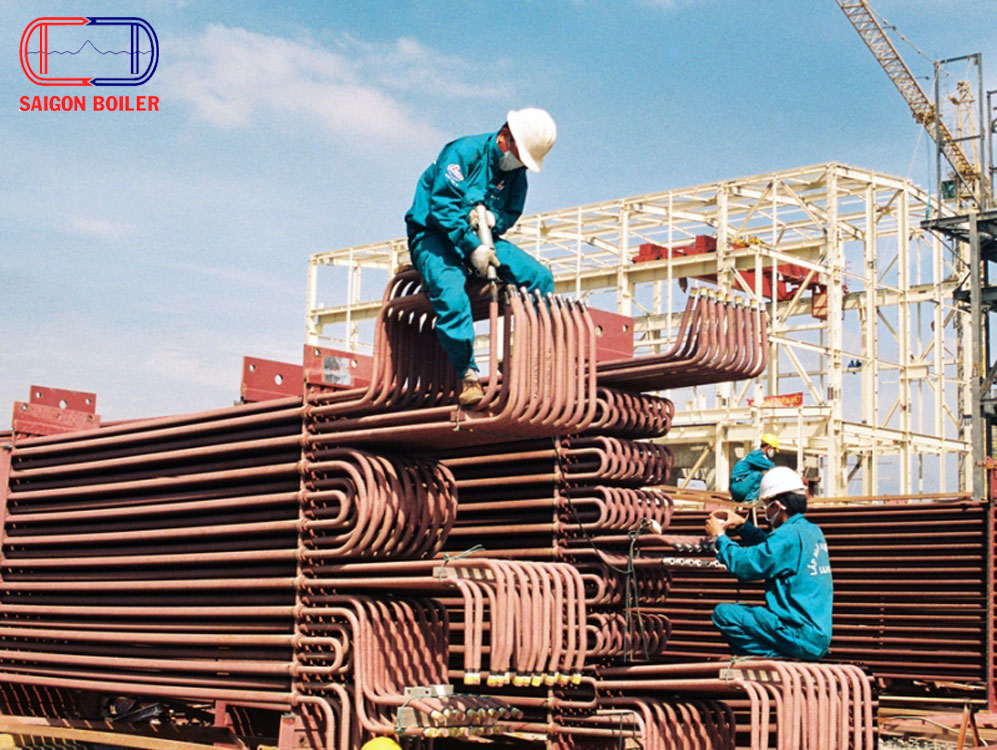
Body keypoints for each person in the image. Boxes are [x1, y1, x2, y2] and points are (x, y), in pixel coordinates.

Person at [404, 108, 557, 407]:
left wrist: (492, 223)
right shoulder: (464, 152)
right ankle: (467, 375)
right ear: (505, 137)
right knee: (451, 294)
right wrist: (472, 246)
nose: (520, 165)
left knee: (540, 278)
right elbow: (442, 206)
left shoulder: (517, 173)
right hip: (434, 236)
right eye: (520, 157)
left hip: (483, 238)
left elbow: (511, 211)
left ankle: (523, 356)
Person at [705, 466, 833, 660]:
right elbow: (773, 551)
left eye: (767, 506)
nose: (766, 511)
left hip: (797, 635)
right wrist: (743, 526)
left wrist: (720, 537)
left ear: (778, 506)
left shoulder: (788, 536)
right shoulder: (812, 531)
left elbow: (746, 565)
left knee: (724, 614)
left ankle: (776, 658)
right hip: (816, 637)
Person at [728, 433, 779, 504]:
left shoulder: (755, 455)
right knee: (758, 475)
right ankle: (750, 500)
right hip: (739, 487)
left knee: (761, 475)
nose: (774, 451)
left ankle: (751, 498)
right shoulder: (757, 456)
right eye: (774, 449)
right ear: (768, 447)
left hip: (739, 487)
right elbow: (773, 468)